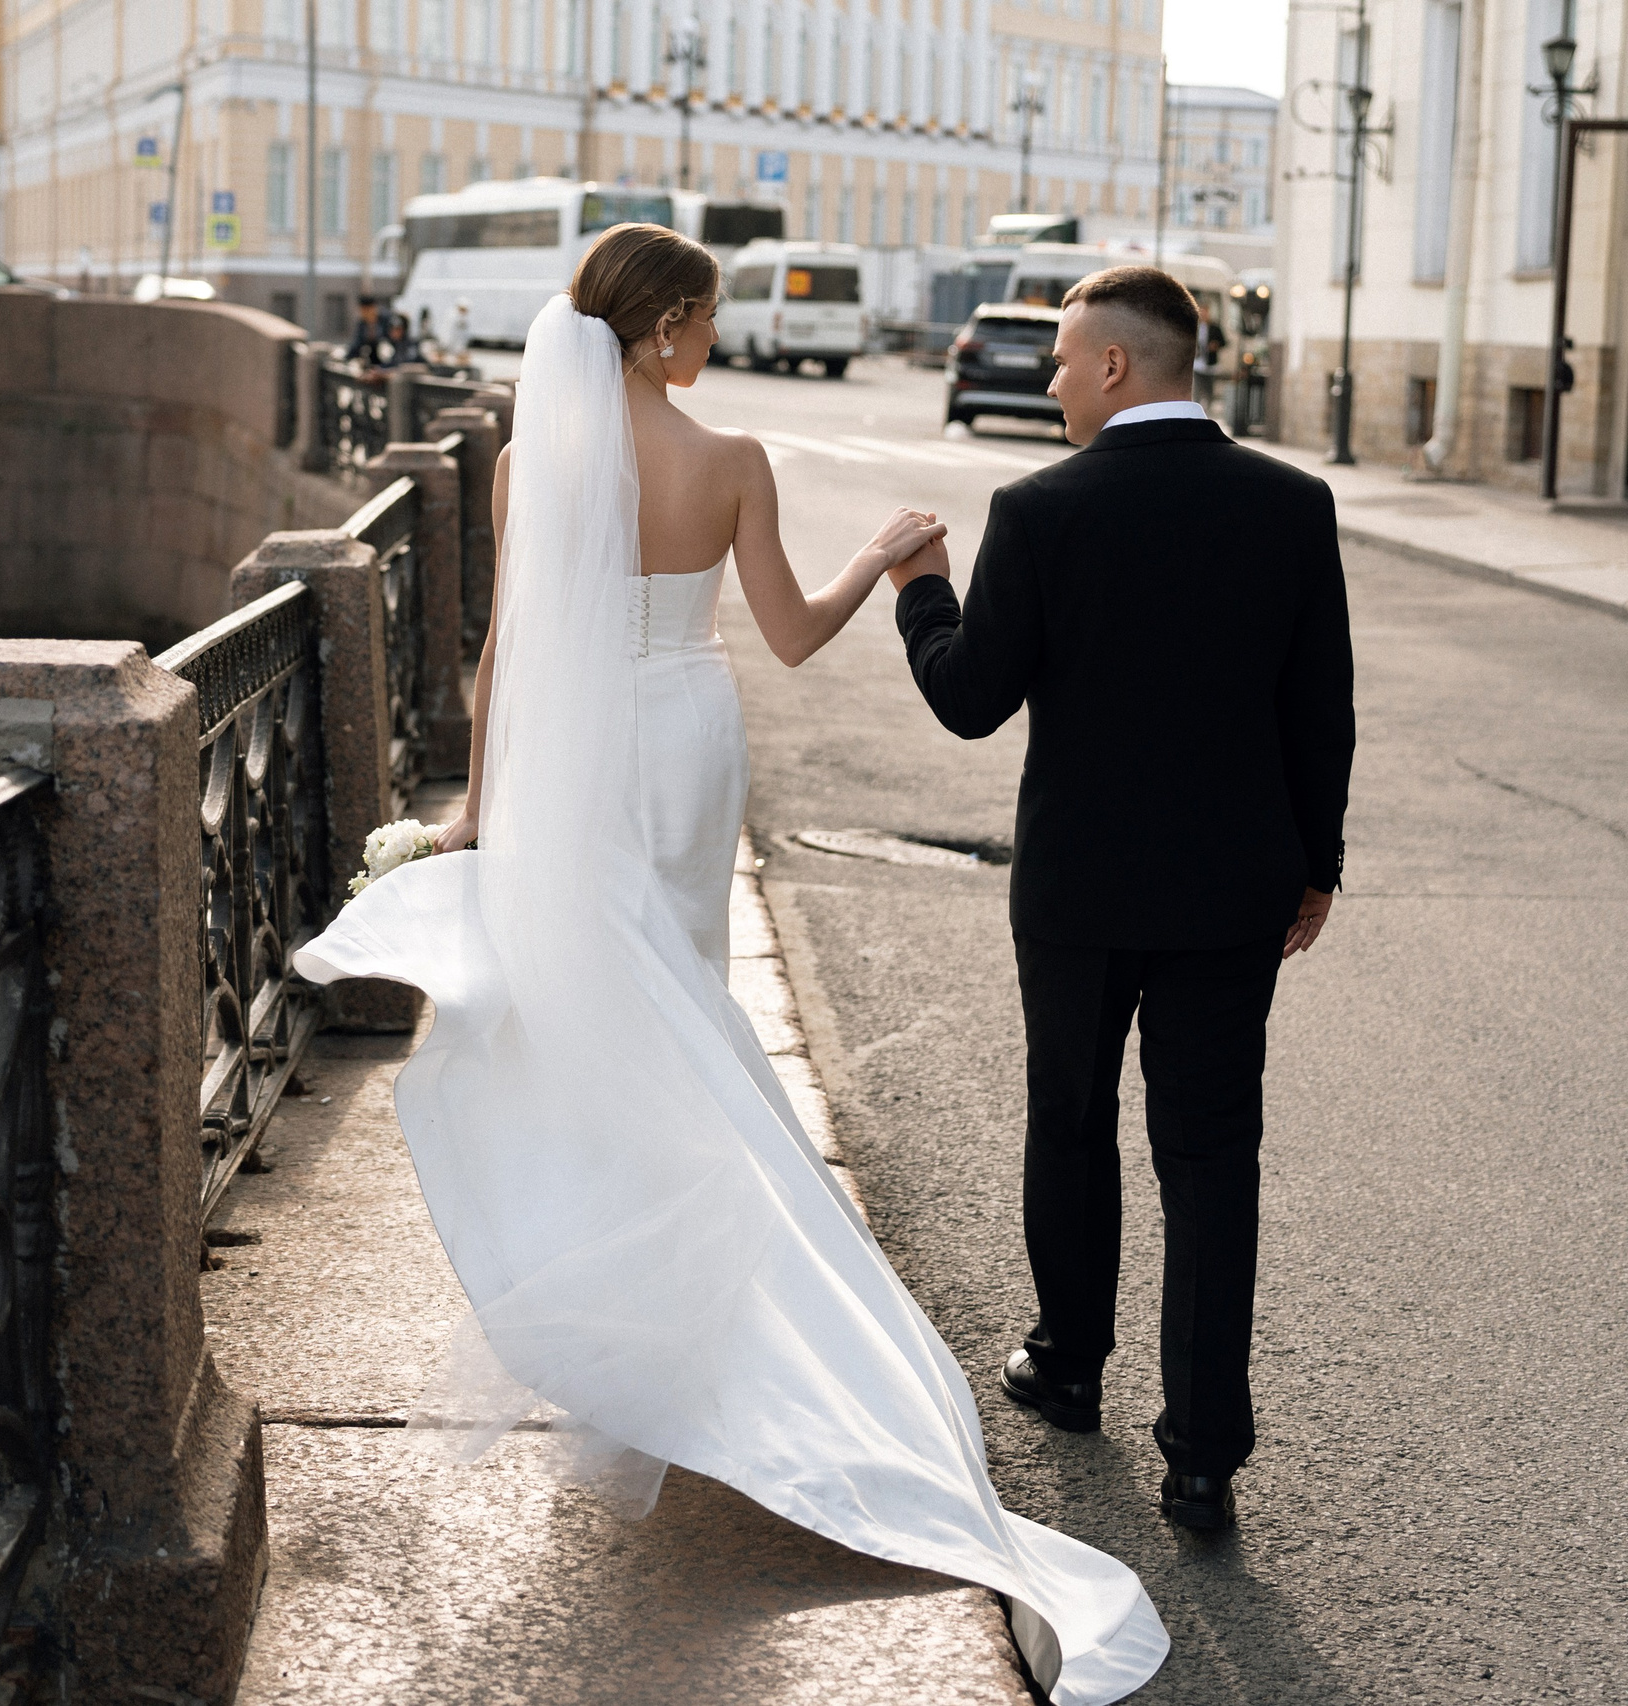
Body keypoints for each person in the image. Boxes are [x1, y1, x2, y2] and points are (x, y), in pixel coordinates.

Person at [293, 224, 1170, 1706]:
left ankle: (632, 1306)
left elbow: (504, 650)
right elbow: (794, 633)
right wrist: (880, 558)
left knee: (612, 1015)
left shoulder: (532, 462)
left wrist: (478, 809)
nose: (711, 339)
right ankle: (709, 1319)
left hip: (573, 756)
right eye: (701, 318)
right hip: (688, 741)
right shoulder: (733, 460)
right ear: (665, 329)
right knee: (688, 1006)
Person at [885, 265, 1355, 1534]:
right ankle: (1202, 1458)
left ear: (1110, 364)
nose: (1048, 381)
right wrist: (1316, 864)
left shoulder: (1040, 508)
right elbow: (1319, 707)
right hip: (1234, 887)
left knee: (1072, 1120)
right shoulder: (1291, 502)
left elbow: (970, 697)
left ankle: (1068, 1365)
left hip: (1080, 888)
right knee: (1211, 1157)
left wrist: (920, 588)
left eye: (1057, 359)